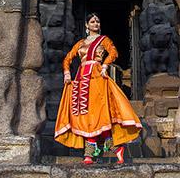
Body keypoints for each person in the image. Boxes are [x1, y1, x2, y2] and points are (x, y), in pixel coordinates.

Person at [54, 13, 142, 164]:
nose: (95, 23)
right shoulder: (80, 43)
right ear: (87, 26)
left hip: (97, 77)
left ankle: (103, 150)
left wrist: (105, 64)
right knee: (85, 114)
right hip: (81, 79)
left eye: (97, 21)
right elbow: (68, 59)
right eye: (92, 21)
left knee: (99, 114)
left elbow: (114, 52)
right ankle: (94, 152)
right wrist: (67, 73)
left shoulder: (104, 40)